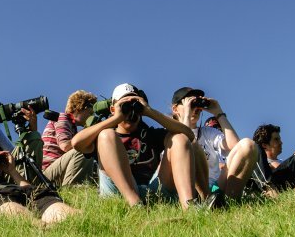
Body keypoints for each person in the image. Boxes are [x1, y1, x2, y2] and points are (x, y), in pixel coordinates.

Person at [72, 83, 200, 209]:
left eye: (134, 104)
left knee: (179, 139)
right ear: (112, 109)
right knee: (106, 135)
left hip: (152, 191)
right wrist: (116, 118)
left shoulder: (150, 134)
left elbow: (188, 135)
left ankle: (190, 206)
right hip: (117, 193)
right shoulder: (105, 137)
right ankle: (135, 204)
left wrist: (150, 112)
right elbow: (76, 143)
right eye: (124, 105)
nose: (130, 110)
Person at [0, 140, 80, 225]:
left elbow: (30, 191)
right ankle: (39, 226)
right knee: (9, 207)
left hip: (24, 192)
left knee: (66, 215)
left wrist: (12, 170)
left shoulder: (12, 179)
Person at [171, 87, 258, 200]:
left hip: (213, 189)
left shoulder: (208, 133)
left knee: (248, 145)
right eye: (190, 103)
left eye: (197, 104)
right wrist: (186, 115)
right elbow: (185, 140)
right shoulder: (171, 134)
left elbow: (234, 146)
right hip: (187, 190)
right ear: (175, 108)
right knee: (190, 144)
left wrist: (218, 113)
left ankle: (229, 201)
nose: (195, 108)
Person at [40, 90, 98, 187]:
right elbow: (65, 146)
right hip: (46, 174)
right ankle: (72, 192)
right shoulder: (62, 118)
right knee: (82, 149)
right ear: (81, 107)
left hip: (56, 170)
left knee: (95, 167)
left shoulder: (73, 128)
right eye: (90, 112)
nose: (91, 116)